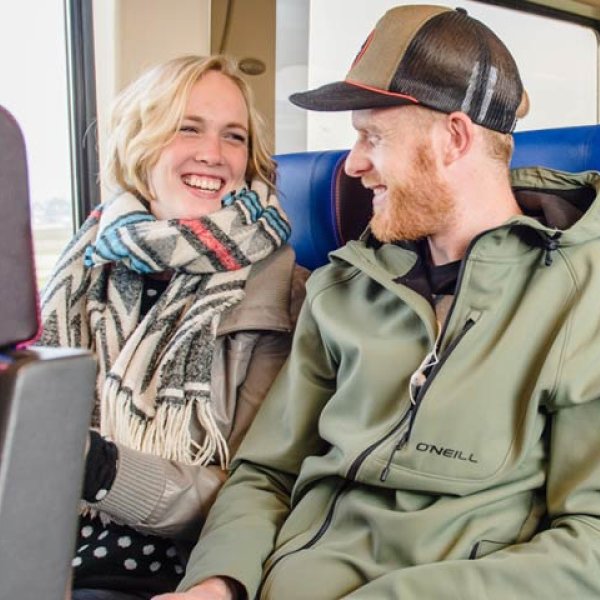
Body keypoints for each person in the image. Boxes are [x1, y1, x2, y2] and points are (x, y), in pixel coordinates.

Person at [157, 5, 600, 600]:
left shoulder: (582, 293)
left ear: (454, 138)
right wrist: (219, 581)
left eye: (373, 136)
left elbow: (590, 541)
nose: (353, 163)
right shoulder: (342, 287)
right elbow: (265, 472)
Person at [39, 54, 307, 600]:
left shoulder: (283, 293)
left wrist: (97, 468)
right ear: (140, 145)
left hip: (158, 570)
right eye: (188, 128)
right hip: (41, 538)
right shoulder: (85, 266)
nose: (213, 153)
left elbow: (251, 491)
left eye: (234, 136)